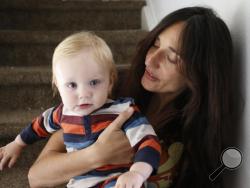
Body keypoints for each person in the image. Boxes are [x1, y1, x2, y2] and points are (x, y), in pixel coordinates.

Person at [28, 6, 233, 188]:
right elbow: (36, 176)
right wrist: (97, 154)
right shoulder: (106, 90)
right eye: (155, 44)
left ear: (199, 74)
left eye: (171, 58)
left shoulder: (198, 133)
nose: (151, 59)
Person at [0, 31, 161, 188]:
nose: (83, 94)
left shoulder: (123, 110)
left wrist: (138, 173)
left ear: (110, 81)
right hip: (80, 183)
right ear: (57, 86)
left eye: (94, 82)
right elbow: (38, 127)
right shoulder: (61, 113)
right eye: (72, 85)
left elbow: (148, 142)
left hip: (117, 180)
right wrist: (17, 144)